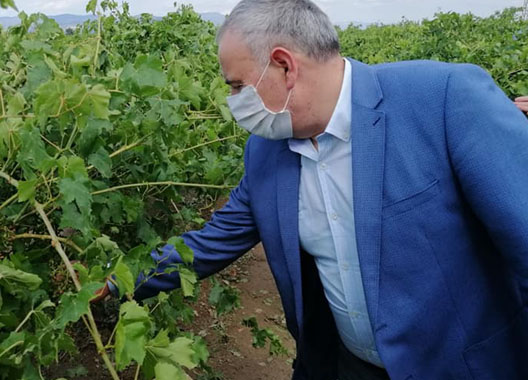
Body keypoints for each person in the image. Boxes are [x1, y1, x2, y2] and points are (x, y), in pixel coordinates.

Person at [95, 1, 528, 379]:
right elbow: (211, 242)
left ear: (284, 65)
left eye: (236, 85)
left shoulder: (444, 99)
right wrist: (116, 283)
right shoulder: (266, 153)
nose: (232, 100)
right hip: (349, 366)